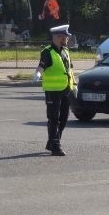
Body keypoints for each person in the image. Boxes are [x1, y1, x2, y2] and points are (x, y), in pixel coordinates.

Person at [32, 24, 76, 156]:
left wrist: (74, 84)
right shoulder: (48, 52)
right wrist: (38, 74)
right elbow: (41, 66)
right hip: (53, 91)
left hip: (66, 89)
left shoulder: (65, 51)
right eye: (66, 37)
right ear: (59, 37)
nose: (67, 39)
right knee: (53, 118)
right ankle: (55, 146)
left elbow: (69, 70)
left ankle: (52, 141)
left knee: (64, 118)